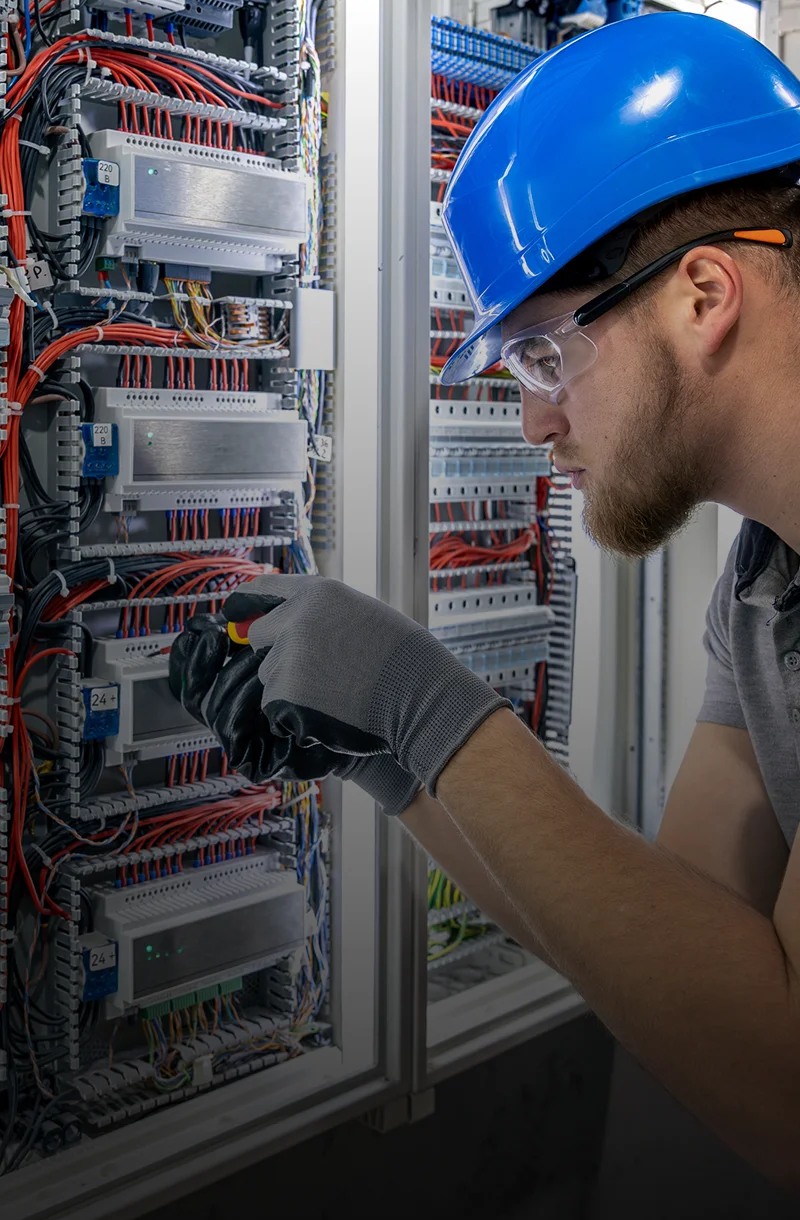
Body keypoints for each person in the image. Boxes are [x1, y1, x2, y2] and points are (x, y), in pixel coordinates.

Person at [170, 12, 800, 1189]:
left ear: (702, 293)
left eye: (545, 355)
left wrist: (423, 704)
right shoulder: (766, 582)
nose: (533, 421)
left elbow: (782, 1083)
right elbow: (673, 949)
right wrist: (392, 767)